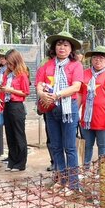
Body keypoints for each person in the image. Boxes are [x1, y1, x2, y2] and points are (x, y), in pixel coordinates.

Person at [36, 31, 83, 191]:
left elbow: (76, 86)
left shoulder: (76, 65)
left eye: (65, 45)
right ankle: (61, 180)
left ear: (71, 49)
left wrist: (57, 95)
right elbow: (39, 84)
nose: (62, 47)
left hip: (69, 108)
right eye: (59, 44)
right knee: (56, 145)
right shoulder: (47, 66)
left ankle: (74, 183)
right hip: (51, 108)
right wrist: (42, 94)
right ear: (54, 47)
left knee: (69, 147)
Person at [0, 49, 30, 172]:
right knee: (10, 135)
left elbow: (25, 92)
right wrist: (1, 89)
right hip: (7, 105)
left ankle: (20, 163)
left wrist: (11, 90)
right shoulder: (7, 74)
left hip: (17, 106)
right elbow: (5, 89)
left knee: (18, 135)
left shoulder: (22, 74)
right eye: (8, 64)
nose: (9, 66)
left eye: (11, 63)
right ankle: (12, 161)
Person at [80, 46, 105, 167]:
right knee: (87, 146)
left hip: (104, 118)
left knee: (103, 146)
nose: (98, 60)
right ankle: (85, 169)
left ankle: (102, 172)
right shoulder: (85, 74)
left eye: (101, 57)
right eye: (95, 57)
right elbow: (79, 93)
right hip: (87, 118)